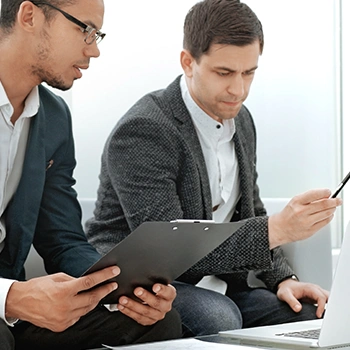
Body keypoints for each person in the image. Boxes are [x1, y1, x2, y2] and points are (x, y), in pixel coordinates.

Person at [85, 0, 342, 338]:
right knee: (219, 317)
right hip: (153, 286)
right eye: (224, 73)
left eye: (249, 73)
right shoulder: (144, 130)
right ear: (188, 62)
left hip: (223, 283)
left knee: (310, 313)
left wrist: (284, 279)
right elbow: (171, 250)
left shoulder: (241, 119)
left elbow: (251, 210)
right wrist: (278, 228)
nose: (239, 90)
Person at [0, 1, 183, 349]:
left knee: (153, 322)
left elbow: (62, 238)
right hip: (7, 303)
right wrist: (10, 297)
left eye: (97, 36)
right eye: (85, 29)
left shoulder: (53, 118)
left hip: (15, 310)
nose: (94, 50)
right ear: (29, 16)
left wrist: (126, 288)